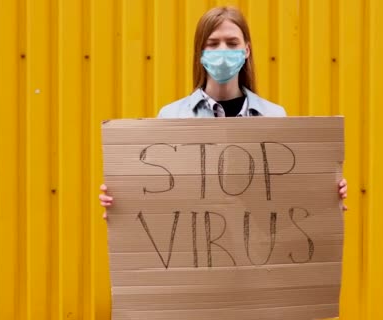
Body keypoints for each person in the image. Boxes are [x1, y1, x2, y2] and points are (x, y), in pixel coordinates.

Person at [99, 6, 347, 217]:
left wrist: (324, 194)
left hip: (254, 258)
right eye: (213, 44)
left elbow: (285, 192)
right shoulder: (172, 117)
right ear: (201, 53)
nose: (223, 51)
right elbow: (159, 192)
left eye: (232, 43)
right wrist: (123, 200)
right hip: (196, 261)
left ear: (246, 51)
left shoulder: (274, 117)